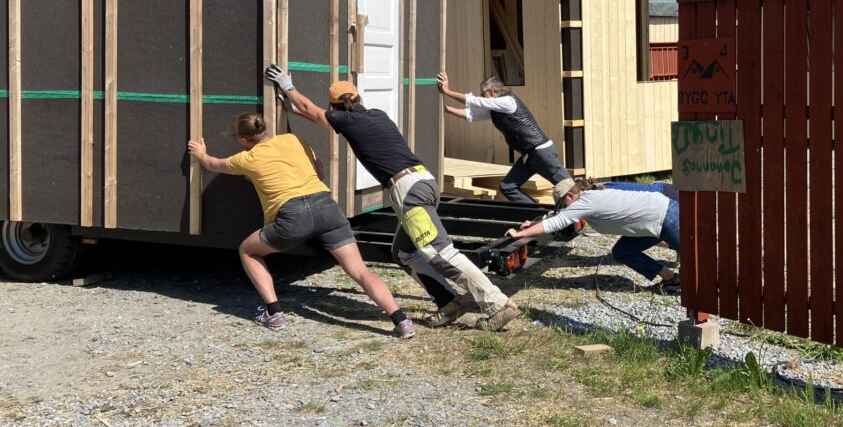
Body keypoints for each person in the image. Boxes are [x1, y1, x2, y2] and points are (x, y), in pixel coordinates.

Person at [264, 64, 520, 331]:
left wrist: (287, 86)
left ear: (335, 107)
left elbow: (313, 111)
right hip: (424, 181)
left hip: (408, 192)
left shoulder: (345, 119)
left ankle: (497, 304)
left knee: (441, 253)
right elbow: (318, 115)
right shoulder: (377, 115)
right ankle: (448, 303)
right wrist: (293, 108)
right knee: (405, 252)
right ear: (358, 99)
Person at [187, 113, 416, 338]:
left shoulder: (247, 158)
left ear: (246, 140)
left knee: (247, 251)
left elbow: (213, 164)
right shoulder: (294, 139)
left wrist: (200, 153)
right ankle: (401, 320)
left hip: (292, 216)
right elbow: (320, 171)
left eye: (237, 137)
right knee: (359, 270)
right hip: (326, 206)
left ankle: (274, 313)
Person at [506, 178, 681, 292]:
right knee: (622, 251)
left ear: (570, 195)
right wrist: (535, 224)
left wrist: (520, 234)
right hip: (654, 222)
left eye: (563, 204)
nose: (564, 209)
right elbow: (558, 218)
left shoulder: (586, 201)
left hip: (667, 216)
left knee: (702, 257)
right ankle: (672, 279)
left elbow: (556, 222)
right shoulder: (590, 196)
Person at [437, 71, 570, 204]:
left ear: (492, 92)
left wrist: (447, 91)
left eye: (483, 94)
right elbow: (471, 114)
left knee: (568, 188)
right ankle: (536, 215)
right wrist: (446, 108)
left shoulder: (508, 102)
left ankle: (585, 216)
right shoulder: (495, 109)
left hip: (541, 152)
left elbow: (476, 102)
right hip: (528, 156)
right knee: (508, 187)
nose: (481, 97)